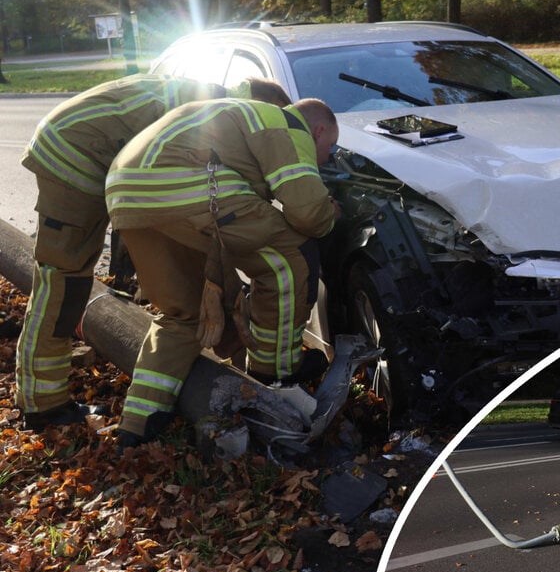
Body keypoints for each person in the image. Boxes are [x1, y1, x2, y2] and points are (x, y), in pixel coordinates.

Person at [104, 97, 339, 449]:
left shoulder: (239, 112)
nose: (327, 157)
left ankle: (138, 424)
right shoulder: (287, 126)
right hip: (185, 183)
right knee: (289, 257)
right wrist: (331, 211)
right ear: (318, 130)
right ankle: (276, 376)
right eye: (329, 147)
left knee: (185, 310)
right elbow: (308, 212)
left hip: (127, 192)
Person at [15, 74, 234, 431]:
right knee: (62, 284)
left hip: (73, 141)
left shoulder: (198, 95)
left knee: (60, 280)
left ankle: (39, 399)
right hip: (74, 156)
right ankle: (43, 406)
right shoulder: (208, 117)